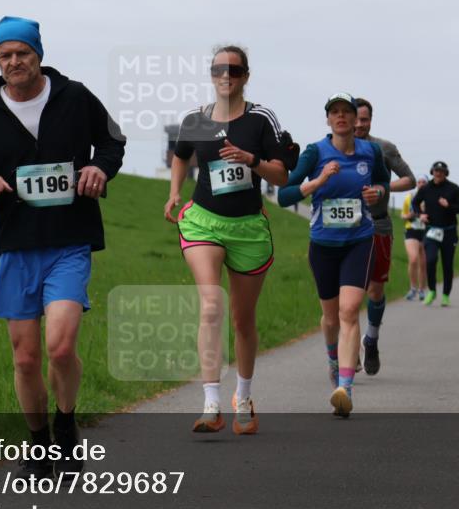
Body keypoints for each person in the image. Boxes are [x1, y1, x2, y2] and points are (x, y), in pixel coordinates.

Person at [0, 16, 125, 480]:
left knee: (60, 347)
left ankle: (66, 428)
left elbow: (112, 141)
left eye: (22, 53)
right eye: (4, 55)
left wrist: (100, 169)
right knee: (25, 358)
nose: (14, 62)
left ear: (38, 55)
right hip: (16, 245)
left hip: (69, 241)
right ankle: (39, 444)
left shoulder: (76, 97)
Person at [164, 45, 288, 434]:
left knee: (242, 319)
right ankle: (211, 403)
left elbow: (282, 176)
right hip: (204, 222)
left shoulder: (262, 119)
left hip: (248, 227)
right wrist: (174, 192)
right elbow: (181, 155)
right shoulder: (195, 119)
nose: (226, 74)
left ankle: (244, 397)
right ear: (211, 73)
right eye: (219, 68)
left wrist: (251, 160)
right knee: (211, 306)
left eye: (234, 69)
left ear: (245, 76)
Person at [278, 92, 389, 417]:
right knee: (329, 318)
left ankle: (345, 388)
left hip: (360, 240)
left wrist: (377, 193)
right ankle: (332, 357)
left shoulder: (371, 152)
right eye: (335, 112)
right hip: (323, 245)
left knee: (350, 311)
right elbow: (284, 194)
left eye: (347, 112)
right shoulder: (315, 152)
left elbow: (383, 183)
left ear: (356, 120)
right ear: (328, 119)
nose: (341, 117)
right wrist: (318, 181)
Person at [351, 98, 415, 376]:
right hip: (343, 228)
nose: (359, 125)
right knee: (348, 293)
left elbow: (409, 179)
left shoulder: (383, 148)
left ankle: (371, 339)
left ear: (370, 121)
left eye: (364, 120)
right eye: (355, 119)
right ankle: (349, 350)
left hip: (378, 226)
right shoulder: (330, 149)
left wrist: (383, 188)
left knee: (375, 291)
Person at [412, 161, 459, 306]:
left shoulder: (453, 188)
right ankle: (432, 290)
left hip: (449, 231)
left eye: (441, 171)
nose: (438, 173)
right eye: (436, 170)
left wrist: (449, 206)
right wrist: (420, 215)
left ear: (446, 173)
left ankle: (446, 295)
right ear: (432, 172)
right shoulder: (425, 188)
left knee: (447, 265)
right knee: (430, 260)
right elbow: (415, 203)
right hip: (431, 230)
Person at [401, 175, 429, 300]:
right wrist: (411, 214)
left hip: (426, 231)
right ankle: (413, 288)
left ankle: (422, 289)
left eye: (424, 182)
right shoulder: (410, 197)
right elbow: (403, 215)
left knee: (423, 263)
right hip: (411, 230)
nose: (421, 184)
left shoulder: (431, 197)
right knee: (413, 259)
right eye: (419, 182)